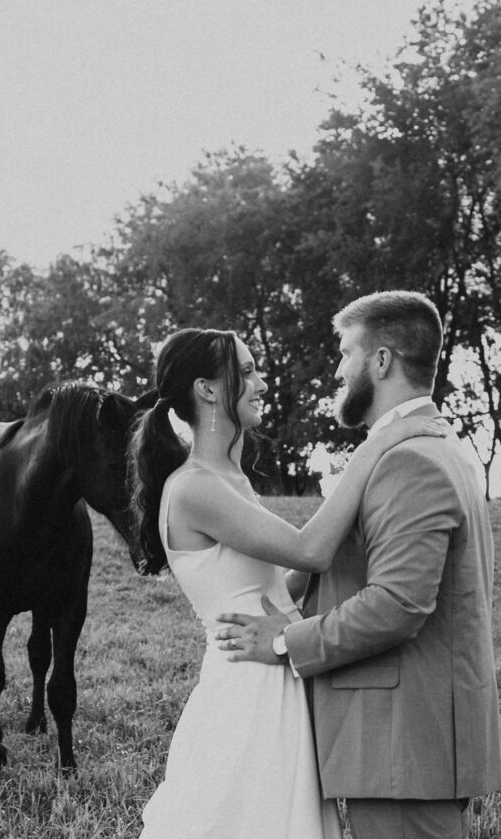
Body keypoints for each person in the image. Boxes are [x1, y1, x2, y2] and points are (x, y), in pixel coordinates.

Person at [131, 325, 446, 839]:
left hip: (278, 673)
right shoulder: (192, 488)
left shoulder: (233, 482)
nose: (261, 383)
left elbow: (289, 584)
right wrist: (383, 440)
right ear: (207, 390)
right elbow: (311, 549)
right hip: (246, 689)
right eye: (248, 371)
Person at [216, 291, 501, 839]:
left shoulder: (409, 460)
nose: (339, 370)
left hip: (402, 746)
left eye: (346, 352)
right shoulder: (431, 446)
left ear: (382, 360)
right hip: (408, 745)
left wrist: (284, 641)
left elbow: (398, 605)